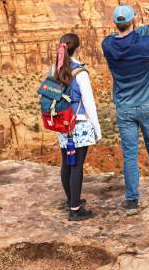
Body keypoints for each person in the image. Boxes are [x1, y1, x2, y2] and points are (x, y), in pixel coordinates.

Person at [101, 5, 149, 214]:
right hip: (147, 105)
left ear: (116, 24)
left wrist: (145, 26)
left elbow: (125, 38)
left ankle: (132, 201)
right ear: (132, 22)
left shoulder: (108, 45)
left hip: (125, 108)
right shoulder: (145, 46)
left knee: (130, 154)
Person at [53, 33, 102, 221]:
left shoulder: (55, 69)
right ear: (77, 49)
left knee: (67, 162)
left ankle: (71, 199)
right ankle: (75, 209)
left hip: (62, 124)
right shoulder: (80, 72)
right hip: (79, 124)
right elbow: (89, 103)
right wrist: (97, 129)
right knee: (77, 166)